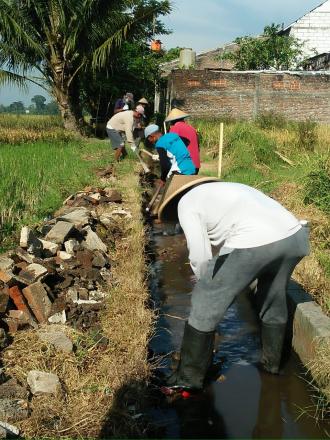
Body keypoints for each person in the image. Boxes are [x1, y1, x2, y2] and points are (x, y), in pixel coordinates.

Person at [157, 175, 310, 390]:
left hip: (257, 243)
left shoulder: (186, 202)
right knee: (273, 298)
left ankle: (188, 379)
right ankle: (272, 366)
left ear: (174, 199)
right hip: (295, 237)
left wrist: (205, 283)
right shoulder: (228, 190)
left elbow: (200, 254)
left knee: (204, 301)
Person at [166, 108, 201, 174]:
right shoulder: (192, 128)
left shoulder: (175, 128)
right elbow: (198, 146)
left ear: (172, 121)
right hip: (195, 164)